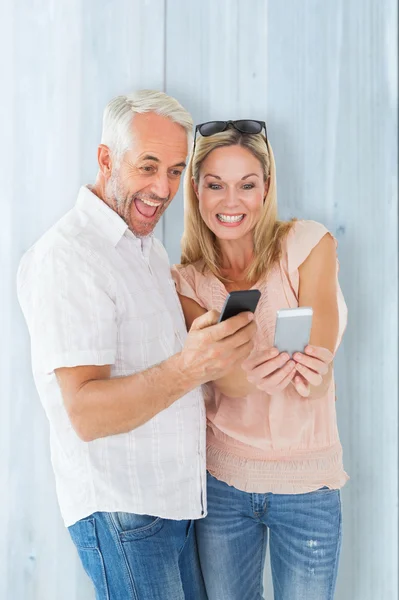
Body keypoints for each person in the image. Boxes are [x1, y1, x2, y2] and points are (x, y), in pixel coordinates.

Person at [16, 93, 256, 600]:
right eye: (148, 167)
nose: (162, 188)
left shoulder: (145, 247)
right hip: (127, 512)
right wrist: (191, 367)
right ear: (106, 160)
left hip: (170, 507)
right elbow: (85, 411)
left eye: (174, 170)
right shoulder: (70, 257)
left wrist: (205, 337)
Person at [172, 119, 349, 600]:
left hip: (308, 487)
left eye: (247, 185)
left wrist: (312, 372)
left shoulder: (309, 245)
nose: (232, 202)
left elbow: (319, 362)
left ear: (266, 188)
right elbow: (223, 379)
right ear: (196, 190)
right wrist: (245, 372)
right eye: (216, 185)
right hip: (224, 486)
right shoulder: (184, 282)